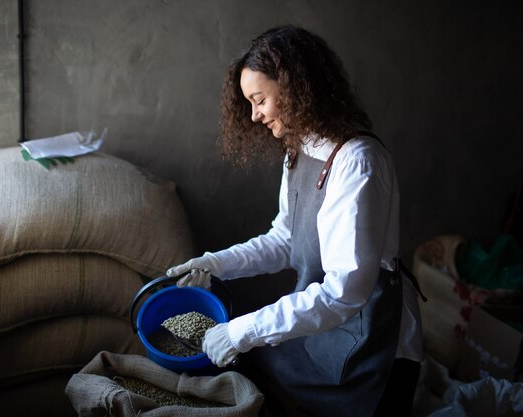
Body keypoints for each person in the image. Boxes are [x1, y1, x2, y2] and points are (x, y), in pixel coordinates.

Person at [166, 25, 424, 417]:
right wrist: (215, 264)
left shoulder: (357, 162)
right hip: (323, 332)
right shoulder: (299, 149)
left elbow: (343, 293)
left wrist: (242, 331)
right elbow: (285, 240)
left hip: (374, 347)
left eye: (259, 100)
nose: (253, 116)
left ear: (294, 87)